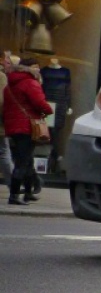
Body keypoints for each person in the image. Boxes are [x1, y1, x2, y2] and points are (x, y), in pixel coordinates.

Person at [2, 56, 53, 205]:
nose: (38, 69)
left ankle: (28, 192)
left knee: (27, 160)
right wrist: (46, 112)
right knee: (22, 162)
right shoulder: (30, 83)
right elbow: (41, 104)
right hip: (27, 126)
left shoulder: (10, 84)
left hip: (14, 127)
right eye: (35, 66)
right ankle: (14, 196)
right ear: (28, 68)